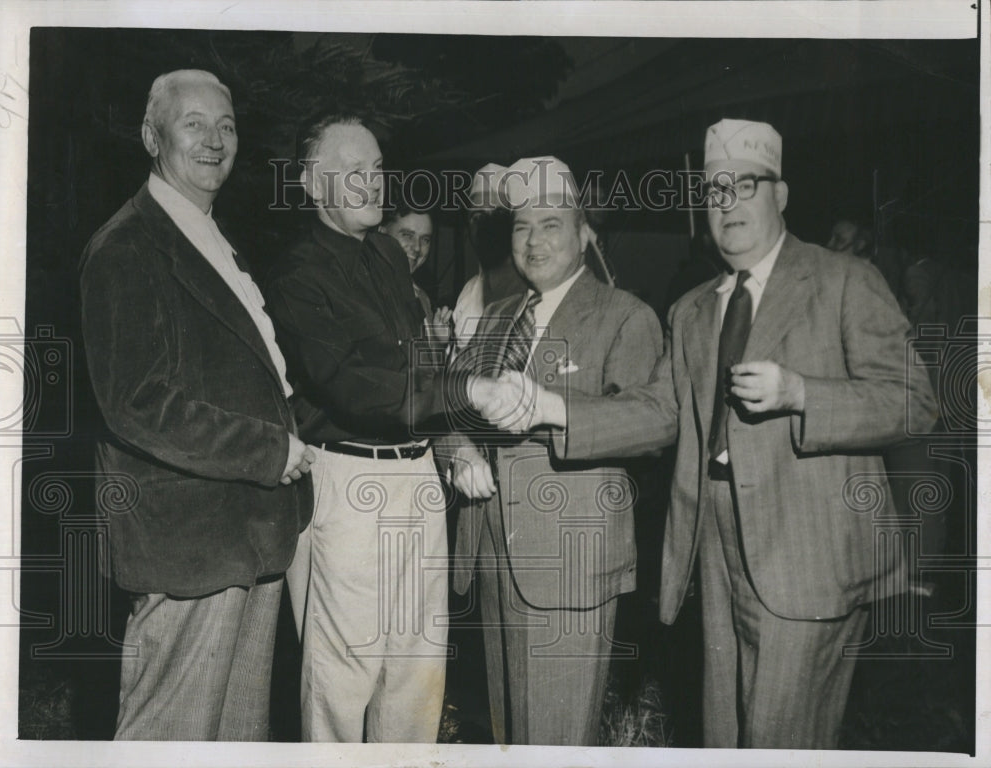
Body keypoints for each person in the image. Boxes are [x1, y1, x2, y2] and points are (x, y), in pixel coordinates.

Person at [473, 119, 938, 749]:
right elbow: (658, 413)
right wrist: (550, 406)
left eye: (746, 186)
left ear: (781, 195)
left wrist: (803, 394)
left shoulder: (843, 281)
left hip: (811, 557)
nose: (728, 204)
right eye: (715, 191)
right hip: (714, 551)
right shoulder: (694, 308)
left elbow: (914, 402)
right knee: (724, 738)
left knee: (781, 740)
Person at [79, 69, 314, 740]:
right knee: (170, 738)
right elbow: (135, 402)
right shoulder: (126, 246)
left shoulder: (209, 234)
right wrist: (270, 451)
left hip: (248, 532)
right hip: (189, 546)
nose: (214, 141)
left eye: (227, 125)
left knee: (235, 737)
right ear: (153, 137)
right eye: (194, 124)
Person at [441, 156, 664, 745]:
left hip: (570, 560)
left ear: (584, 233)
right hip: (491, 555)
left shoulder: (625, 316)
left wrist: (553, 408)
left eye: (551, 224)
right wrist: (458, 451)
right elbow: (445, 402)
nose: (533, 240)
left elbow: (654, 419)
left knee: (554, 742)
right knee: (507, 730)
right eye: (521, 226)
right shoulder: (494, 319)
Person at [265, 113, 460, 743]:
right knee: (341, 682)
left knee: (416, 671)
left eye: (375, 168)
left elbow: (415, 358)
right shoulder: (297, 273)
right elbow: (349, 383)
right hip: (350, 479)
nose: (371, 183)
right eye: (351, 171)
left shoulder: (384, 253)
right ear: (310, 184)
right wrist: (458, 389)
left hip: (417, 476)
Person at [451, 163, 528, 350]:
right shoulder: (468, 293)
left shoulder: (531, 290)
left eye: (498, 215)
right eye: (477, 216)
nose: (487, 225)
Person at [378, 202, 452, 344]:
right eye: (407, 235)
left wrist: (438, 342)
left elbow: (427, 364)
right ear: (382, 233)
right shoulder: (364, 289)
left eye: (425, 240)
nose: (417, 248)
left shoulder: (422, 299)